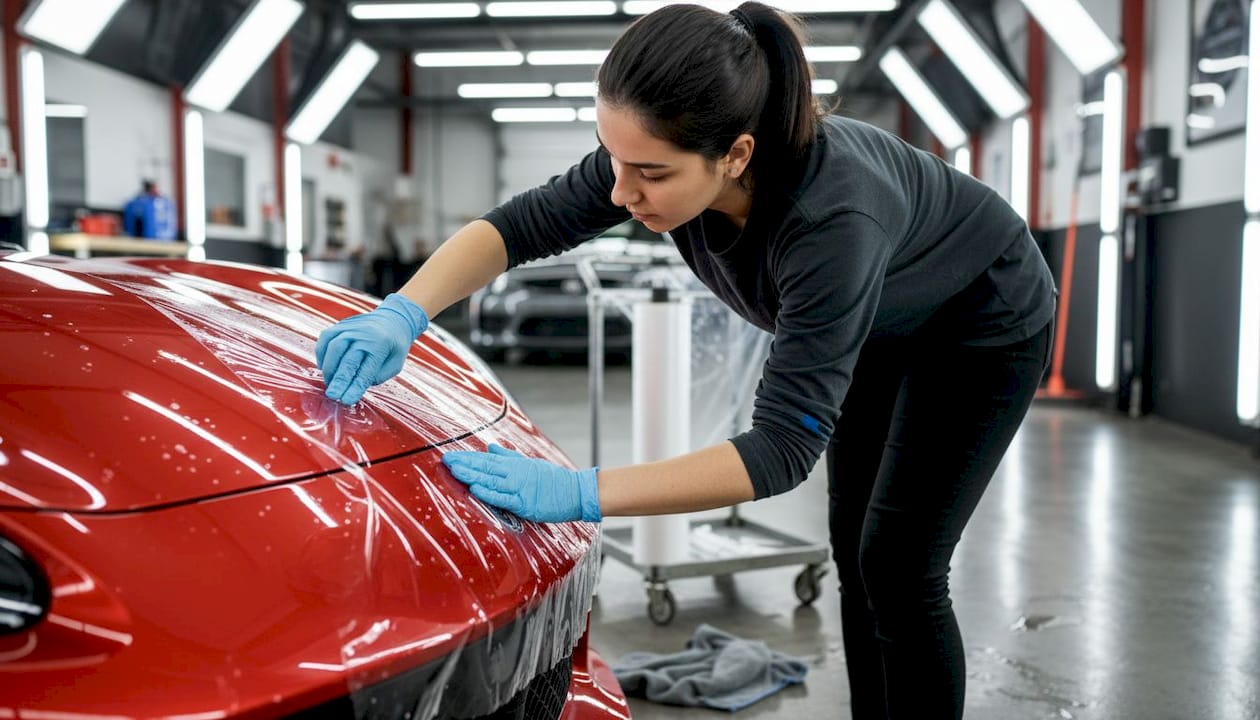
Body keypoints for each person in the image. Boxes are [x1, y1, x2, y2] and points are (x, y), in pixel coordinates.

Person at [313, 3, 1055, 718]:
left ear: (737, 155)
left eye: (651, 174)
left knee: (898, 567)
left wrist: (581, 492)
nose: (621, 192)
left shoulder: (831, 221)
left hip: (979, 325)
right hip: (880, 322)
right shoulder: (654, 160)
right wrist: (402, 312)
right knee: (857, 559)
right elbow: (519, 226)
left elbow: (781, 451)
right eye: (614, 158)